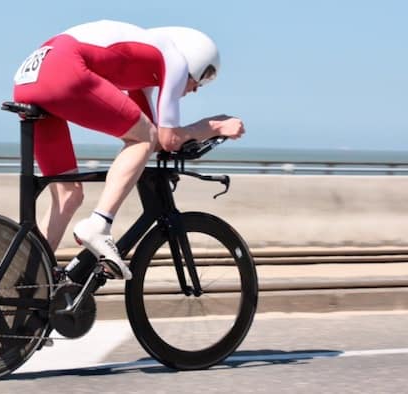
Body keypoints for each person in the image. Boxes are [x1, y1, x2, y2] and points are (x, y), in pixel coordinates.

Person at [12, 20, 245, 280]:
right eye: (203, 77)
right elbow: (166, 139)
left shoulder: (142, 76)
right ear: (196, 60)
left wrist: (176, 136)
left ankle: (27, 283)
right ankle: (99, 225)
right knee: (142, 137)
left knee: (69, 196)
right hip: (63, 67)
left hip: (31, 77)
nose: (196, 88)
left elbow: (156, 141)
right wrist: (215, 126)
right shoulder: (175, 62)